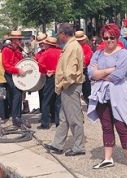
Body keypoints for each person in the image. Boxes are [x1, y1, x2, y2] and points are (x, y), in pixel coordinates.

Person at [87, 23, 127, 171]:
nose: (109, 40)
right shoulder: (97, 53)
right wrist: (110, 69)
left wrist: (100, 74)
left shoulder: (123, 53)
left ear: (117, 37)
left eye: (112, 37)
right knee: (106, 127)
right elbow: (91, 74)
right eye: (106, 37)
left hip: (119, 94)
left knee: (121, 125)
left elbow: (119, 75)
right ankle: (107, 158)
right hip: (102, 95)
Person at [44, 23, 85, 156]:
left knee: (74, 118)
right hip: (68, 86)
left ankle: (79, 146)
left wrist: (64, 84)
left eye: (59, 34)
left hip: (70, 86)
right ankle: (57, 144)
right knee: (64, 118)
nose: (58, 37)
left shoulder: (72, 47)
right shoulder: (71, 46)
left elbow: (70, 71)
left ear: (63, 34)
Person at [2, 30, 26, 127]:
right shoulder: (7, 49)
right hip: (10, 74)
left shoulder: (18, 49)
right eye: (18, 39)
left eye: (20, 39)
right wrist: (17, 70)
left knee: (19, 94)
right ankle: (15, 118)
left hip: (16, 74)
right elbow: (6, 65)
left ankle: (18, 117)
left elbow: (20, 61)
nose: (20, 41)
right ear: (13, 39)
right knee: (16, 94)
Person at [37, 36, 62, 129]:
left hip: (50, 76)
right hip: (60, 76)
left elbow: (40, 64)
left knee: (46, 100)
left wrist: (46, 70)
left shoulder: (46, 53)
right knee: (58, 100)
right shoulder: (61, 52)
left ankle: (45, 123)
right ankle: (58, 122)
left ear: (48, 44)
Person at [75, 30, 93, 104]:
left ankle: (89, 104)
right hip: (76, 70)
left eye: (80, 41)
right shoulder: (74, 47)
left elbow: (87, 59)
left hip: (84, 70)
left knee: (86, 90)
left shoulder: (87, 48)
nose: (79, 42)